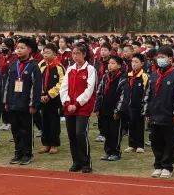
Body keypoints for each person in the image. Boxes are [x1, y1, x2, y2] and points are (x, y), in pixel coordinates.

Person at [145, 46, 174, 178]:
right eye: (159, 57)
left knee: (168, 142)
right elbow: (148, 94)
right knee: (155, 141)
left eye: (163, 57)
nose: (160, 59)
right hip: (155, 115)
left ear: (170, 59)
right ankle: (158, 165)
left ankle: (167, 166)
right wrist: (146, 111)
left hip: (168, 116)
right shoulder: (154, 75)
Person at [4, 37, 42, 166]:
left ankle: (27, 154)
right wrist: (6, 101)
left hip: (26, 104)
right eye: (17, 48)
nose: (18, 50)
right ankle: (18, 152)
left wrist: (33, 104)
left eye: (22, 48)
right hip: (13, 103)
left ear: (29, 50)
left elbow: (36, 87)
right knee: (15, 130)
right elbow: (8, 84)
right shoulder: (13, 65)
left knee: (26, 130)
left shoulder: (34, 66)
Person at [59, 43, 96, 173]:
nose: (75, 56)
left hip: (83, 108)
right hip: (69, 107)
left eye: (78, 53)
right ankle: (76, 161)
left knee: (80, 133)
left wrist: (77, 104)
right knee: (72, 135)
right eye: (73, 53)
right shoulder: (70, 69)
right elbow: (64, 88)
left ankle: (86, 162)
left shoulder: (90, 69)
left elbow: (89, 90)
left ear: (84, 54)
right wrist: (67, 103)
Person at [96, 55, 127, 161]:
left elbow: (124, 96)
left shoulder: (123, 78)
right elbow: (99, 92)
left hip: (115, 111)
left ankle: (116, 152)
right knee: (107, 131)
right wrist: (98, 107)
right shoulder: (105, 77)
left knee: (115, 132)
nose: (110, 65)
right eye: (109, 63)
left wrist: (118, 110)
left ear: (119, 65)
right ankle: (108, 151)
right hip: (105, 109)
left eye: (113, 63)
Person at [37, 44, 65, 155]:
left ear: (54, 54)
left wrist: (49, 95)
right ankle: (45, 143)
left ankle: (54, 144)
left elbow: (61, 83)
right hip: (42, 98)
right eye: (44, 52)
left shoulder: (59, 67)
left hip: (54, 100)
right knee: (44, 121)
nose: (45, 54)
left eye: (48, 52)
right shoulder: (41, 65)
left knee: (54, 122)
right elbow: (37, 80)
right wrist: (41, 94)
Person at [119, 54, 148, 153]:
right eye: (132, 62)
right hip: (129, 105)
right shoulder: (129, 75)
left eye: (136, 62)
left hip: (139, 105)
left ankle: (140, 145)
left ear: (142, 63)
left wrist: (144, 104)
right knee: (131, 124)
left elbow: (146, 90)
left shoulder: (144, 76)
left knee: (139, 125)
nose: (134, 64)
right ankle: (131, 144)